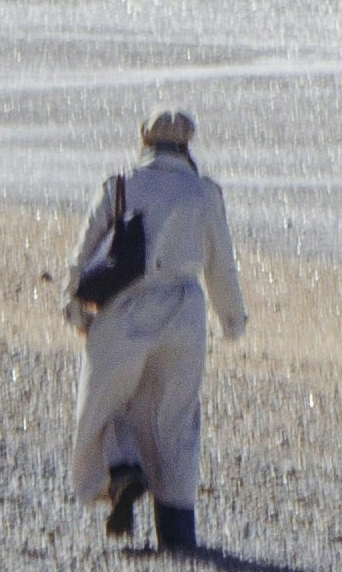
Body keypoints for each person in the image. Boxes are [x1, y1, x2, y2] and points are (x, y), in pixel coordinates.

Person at [67, 105, 245, 554]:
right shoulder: (204, 194)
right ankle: (177, 530)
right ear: (186, 145)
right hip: (184, 310)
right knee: (175, 421)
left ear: (144, 141)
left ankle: (120, 469)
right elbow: (221, 265)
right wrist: (232, 322)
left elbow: (84, 253)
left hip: (124, 308)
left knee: (106, 403)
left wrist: (74, 310)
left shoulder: (120, 185)